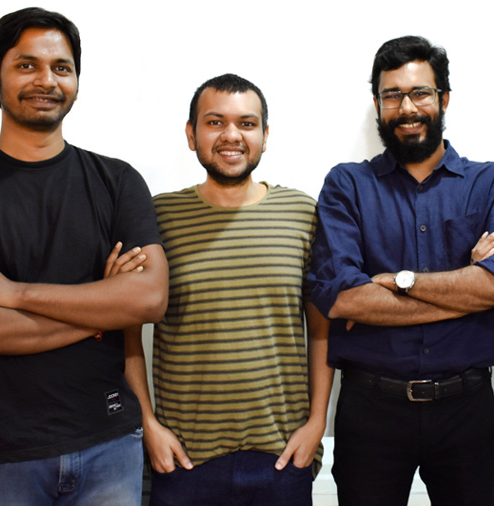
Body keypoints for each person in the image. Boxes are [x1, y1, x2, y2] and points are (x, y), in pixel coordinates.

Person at [0, 7, 169, 505]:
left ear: (76, 81)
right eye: (26, 65)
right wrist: (101, 311)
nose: (46, 80)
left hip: (108, 444)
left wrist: (11, 293)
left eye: (61, 67)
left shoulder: (118, 182)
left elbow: (147, 300)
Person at [308, 36, 494, 506]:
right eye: (392, 95)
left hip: (467, 411)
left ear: (444, 99)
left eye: (420, 93)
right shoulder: (347, 185)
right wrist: (466, 288)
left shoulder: (493, 182)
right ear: (377, 105)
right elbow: (344, 299)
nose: (406, 107)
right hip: (370, 412)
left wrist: (399, 282)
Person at [123, 73, 333, 506]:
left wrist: (317, 423)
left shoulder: (302, 212)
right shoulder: (158, 217)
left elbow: (321, 328)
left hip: (282, 457)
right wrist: (148, 424)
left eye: (247, 123)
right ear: (191, 134)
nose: (231, 135)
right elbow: (126, 330)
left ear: (265, 136)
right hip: (184, 461)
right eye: (215, 122)